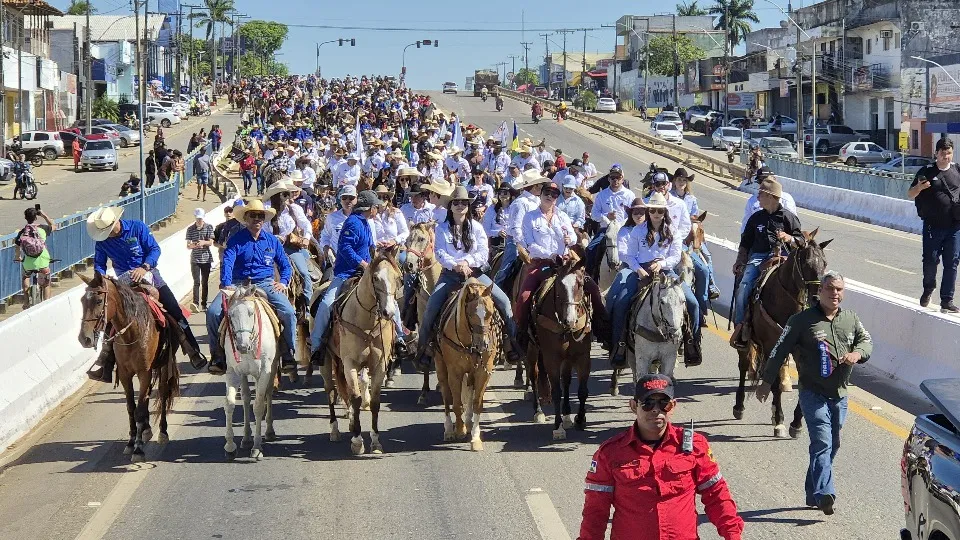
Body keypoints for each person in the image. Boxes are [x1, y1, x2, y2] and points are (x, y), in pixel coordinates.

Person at [756, 271, 872, 516]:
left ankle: (812, 491)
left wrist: (857, 354)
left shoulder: (851, 318)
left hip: (840, 395)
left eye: (839, 289)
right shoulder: (801, 320)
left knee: (833, 444)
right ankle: (825, 494)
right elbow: (779, 350)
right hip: (812, 394)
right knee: (822, 443)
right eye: (830, 288)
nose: (835, 293)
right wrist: (766, 381)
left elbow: (866, 341)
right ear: (820, 291)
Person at [579, 374, 744, 540]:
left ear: (672, 406)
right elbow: (595, 512)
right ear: (633, 406)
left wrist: (733, 535)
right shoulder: (610, 453)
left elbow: (717, 495)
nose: (656, 410)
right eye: (648, 403)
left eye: (664, 403)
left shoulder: (695, 445)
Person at [85, 207, 207, 382]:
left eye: (108, 230)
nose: (107, 234)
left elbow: (154, 249)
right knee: (109, 316)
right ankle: (105, 363)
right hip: (123, 282)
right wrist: (101, 277)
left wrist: (144, 267)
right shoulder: (102, 242)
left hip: (149, 274)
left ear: (115, 223)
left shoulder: (137, 227)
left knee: (174, 310)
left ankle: (192, 350)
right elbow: (99, 263)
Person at [413, 186, 522, 369]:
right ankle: (423, 349)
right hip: (450, 275)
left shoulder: (476, 227)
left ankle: (512, 343)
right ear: (450, 206)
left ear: (468, 206)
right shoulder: (442, 228)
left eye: (464, 203)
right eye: (456, 202)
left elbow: (483, 252)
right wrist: (455, 265)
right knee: (431, 306)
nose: (460, 205)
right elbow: (440, 253)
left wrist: (466, 262)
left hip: (475, 274)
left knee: (504, 301)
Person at [310, 190, 413, 364]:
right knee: (327, 303)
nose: (378, 209)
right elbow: (345, 248)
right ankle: (316, 345)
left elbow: (370, 248)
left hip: (366, 273)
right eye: (376, 207)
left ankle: (399, 338)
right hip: (346, 273)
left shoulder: (366, 222)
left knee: (389, 299)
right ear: (369, 208)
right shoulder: (353, 223)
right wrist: (363, 264)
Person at [206, 199, 298, 376]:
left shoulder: (272, 241)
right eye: (253, 215)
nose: (257, 219)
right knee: (213, 312)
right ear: (246, 219)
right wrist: (227, 284)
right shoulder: (235, 240)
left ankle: (288, 354)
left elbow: (285, 265)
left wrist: (283, 282)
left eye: (260, 216)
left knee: (288, 312)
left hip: (265, 283)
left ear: (264, 219)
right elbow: (227, 263)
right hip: (238, 283)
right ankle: (217, 356)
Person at [514, 179, 608, 348]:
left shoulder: (562, 216)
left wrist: (569, 239)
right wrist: (549, 254)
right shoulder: (530, 217)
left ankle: (601, 328)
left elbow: (572, 237)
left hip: (566, 263)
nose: (550, 196)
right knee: (524, 297)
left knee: (593, 289)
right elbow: (529, 244)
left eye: (554, 194)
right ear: (541, 194)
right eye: (547, 193)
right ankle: (522, 333)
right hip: (542, 263)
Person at [732, 178, 804, 342]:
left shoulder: (788, 217)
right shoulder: (756, 218)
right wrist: (739, 261)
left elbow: (801, 240)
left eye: (761, 194)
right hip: (758, 257)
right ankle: (741, 324)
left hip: (783, 257)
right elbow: (745, 243)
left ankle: (806, 329)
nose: (757, 197)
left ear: (770, 197)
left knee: (804, 286)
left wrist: (789, 238)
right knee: (744, 285)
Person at [908, 137, 960, 312]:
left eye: (949, 153)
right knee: (930, 261)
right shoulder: (927, 171)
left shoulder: (957, 171)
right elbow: (910, 194)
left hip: (954, 226)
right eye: (943, 153)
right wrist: (919, 188)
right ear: (936, 153)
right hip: (933, 226)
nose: (946, 157)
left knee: (952, 262)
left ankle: (947, 300)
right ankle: (929, 288)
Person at [605, 197, 650, 365]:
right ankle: (617, 343)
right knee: (617, 300)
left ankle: (686, 340)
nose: (638, 215)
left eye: (642, 212)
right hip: (629, 268)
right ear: (631, 214)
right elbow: (623, 254)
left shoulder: (653, 229)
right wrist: (638, 267)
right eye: (635, 212)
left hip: (652, 268)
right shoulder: (625, 231)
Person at [671, 167, 721, 310]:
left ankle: (710, 288)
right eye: (679, 179)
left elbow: (695, 216)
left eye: (684, 180)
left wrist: (693, 221)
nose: (681, 182)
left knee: (707, 256)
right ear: (674, 181)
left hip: (690, 233)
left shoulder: (691, 199)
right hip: (674, 236)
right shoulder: (670, 197)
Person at [493, 170, 546, 290]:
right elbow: (516, 228)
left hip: (535, 241)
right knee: (506, 268)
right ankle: (495, 291)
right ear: (535, 186)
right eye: (540, 184)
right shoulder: (520, 203)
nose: (542, 187)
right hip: (516, 242)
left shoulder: (538, 201)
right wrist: (524, 244)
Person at [586, 166, 636, 280]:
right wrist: (605, 216)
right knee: (590, 250)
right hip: (606, 229)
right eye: (613, 177)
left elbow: (634, 215)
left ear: (622, 179)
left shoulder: (629, 195)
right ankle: (589, 278)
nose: (615, 180)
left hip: (624, 230)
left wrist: (625, 224)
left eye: (618, 177)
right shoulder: (602, 195)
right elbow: (594, 214)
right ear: (609, 179)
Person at [15, 206, 56, 309]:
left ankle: (26, 302)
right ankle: (46, 304)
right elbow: (54, 226)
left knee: (25, 276)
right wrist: (43, 215)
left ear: (25, 218)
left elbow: (17, 246)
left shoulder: (23, 232)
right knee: (46, 283)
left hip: (28, 263)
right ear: (36, 217)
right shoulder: (43, 228)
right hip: (43, 261)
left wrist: (18, 257)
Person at [740, 167, 797, 231]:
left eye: (766, 179)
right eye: (760, 181)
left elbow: (793, 224)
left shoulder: (786, 199)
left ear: (774, 179)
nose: (763, 183)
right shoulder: (753, 201)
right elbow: (746, 224)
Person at [318, 185, 358, 265]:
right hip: (336, 260)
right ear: (340, 199)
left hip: (357, 261)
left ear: (356, 199)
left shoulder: (362, 218)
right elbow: (325, 235)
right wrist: (326, 246)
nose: (347, 201)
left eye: (351, 198)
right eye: (344, 198)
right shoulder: (332, 217)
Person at [186, 208, 214, 312]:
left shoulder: (209, 227)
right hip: (195, 259)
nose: (199, 221)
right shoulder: (190, 229)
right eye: (198, 219)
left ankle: (204, 303)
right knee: (196, 282)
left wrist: (203, 242)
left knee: (205, 281)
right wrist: (194, 245)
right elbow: (188, 245)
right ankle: (196, 303)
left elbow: (211, 242)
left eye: (200, 219)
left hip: (206, 259)